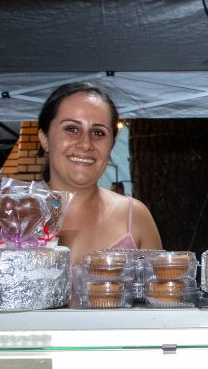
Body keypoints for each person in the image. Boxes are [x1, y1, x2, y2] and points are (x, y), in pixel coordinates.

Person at [37, 83, 161, 263]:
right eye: (72, 129)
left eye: (98, 132)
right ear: (45, 139)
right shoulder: (12, 216)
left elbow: (162, 288)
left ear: (111, 144)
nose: (85, 144)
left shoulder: (134, 217)